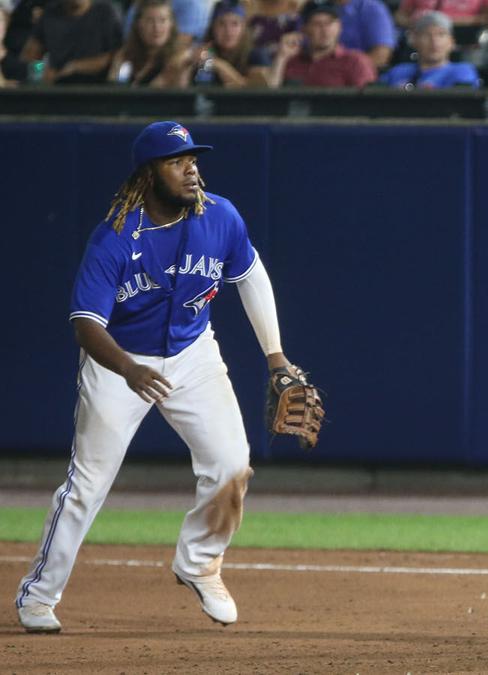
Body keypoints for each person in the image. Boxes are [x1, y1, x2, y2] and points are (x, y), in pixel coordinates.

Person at [14, 121, 306, 633]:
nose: (191, 169)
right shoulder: (115, 237)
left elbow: (250, 276)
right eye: (176, 161)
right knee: (87, 485)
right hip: (119, 361)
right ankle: (38, 596)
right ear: (148, 174)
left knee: (232, 464)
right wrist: (127, 368)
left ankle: (199, 563)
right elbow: (85, 324)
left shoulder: (220, 217)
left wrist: (276, 357)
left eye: (193, 159)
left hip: (194, 354)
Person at [269, 0, 375, 87]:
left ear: (339, 27)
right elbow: (271, 99)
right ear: (304, 29)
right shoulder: (291, 61)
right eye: (316, 24)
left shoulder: (355, 62)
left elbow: (368, 102)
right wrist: (281, 57)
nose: (324, 29)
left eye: (329, 23)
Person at [18, 0, 122, 84]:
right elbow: (29, 56)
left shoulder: (105, 12)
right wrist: (42, 71)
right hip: (59, 89)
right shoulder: (50, 14)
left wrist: (76, 67)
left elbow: (117, 55)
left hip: (97, 89)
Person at [380, 10, 478, 87]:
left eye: (441, 34)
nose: (434, 41)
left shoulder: (461, 71)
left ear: (452, 42)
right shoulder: (398, 71)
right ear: (414, 41)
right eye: (426, 35)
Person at [108, 0, 191, 87]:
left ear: (171, 24)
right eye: (149, 21)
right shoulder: (125, 55)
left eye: (163, 20)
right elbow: (113, 88)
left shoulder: (180, 59)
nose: (157, 27)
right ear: (139, 24)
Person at [332, 0, 395, 68]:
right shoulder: (325, 6)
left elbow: (381, 54)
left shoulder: (371, 8)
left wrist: (351, 70)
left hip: (357, 70)